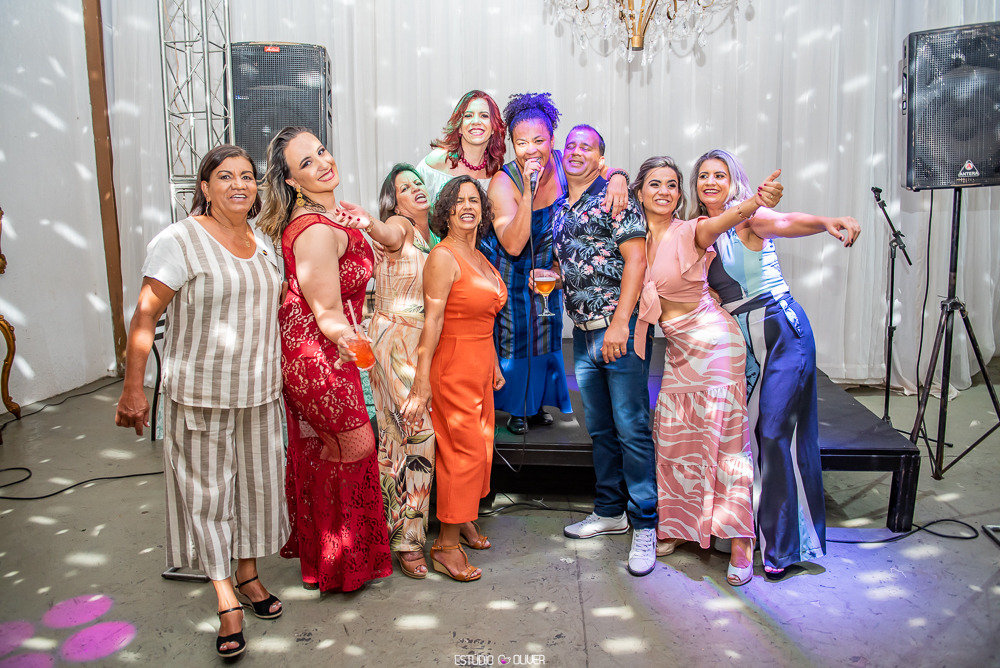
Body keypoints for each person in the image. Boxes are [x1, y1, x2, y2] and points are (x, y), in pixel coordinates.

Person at [115, 145, 287, 658]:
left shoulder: (262, 242)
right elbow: (145, 317)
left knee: (257, 490)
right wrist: (133, 388)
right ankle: (225, 596)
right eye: (225, 176)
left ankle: (249, 575)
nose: (239, 184)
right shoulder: (179, 240)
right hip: (201, 393)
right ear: (205, 187)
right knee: (209, 497)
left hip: (259, 392)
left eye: (248, 176)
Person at [693, 149, 861, 580]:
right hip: (740, 342)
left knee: (774, 433)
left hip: (780, 330)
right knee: (745, 437)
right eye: (703, 175)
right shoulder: (701, 230)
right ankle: (744, 530)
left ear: (734, 181)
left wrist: (825, 222)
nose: (710, 182)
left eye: (719, 175)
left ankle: (784, 546)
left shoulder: (749, 217)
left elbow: (783, 221)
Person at [632, 156, 783, 586]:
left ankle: (740, 541)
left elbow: (726, 220)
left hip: (715, 346)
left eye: (672, 185)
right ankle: (679, 527)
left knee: (727, 445)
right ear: (640, 192)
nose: (664, 192)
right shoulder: (633, 238)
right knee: (674, 440)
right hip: (678, 351)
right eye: (655, 184)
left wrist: (755, 201)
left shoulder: (691, 229)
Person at [257, 126, 392, 592]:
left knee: (330, 451)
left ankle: (326, 563)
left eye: (320, 151)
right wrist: (350, 339)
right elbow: (327, 311)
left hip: (327, 351)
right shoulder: (314, 229)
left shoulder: (332, 216)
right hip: (316, 356)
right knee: (355, 447)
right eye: (306, 163)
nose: (322, 163)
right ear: (292, 181)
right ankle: (341, 562)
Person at [543, 125, 656, 577]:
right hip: (584, 334)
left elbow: (637, 261)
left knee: (632, 430)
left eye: (585, 147)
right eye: (570, 145)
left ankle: (645, 523)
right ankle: (610, 511)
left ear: (601, 159)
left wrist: (621, 324)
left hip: (617, 331)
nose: (575, 151)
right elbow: (569, 262)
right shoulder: (560, 208)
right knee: (603, 431)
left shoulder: (615, 198)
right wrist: (550, 276)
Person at [485, 93, 630, 434]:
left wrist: (620, 176)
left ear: (552, 140)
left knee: (547, 333)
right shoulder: (503, 181)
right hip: (511, 269)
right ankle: (517, 407)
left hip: (550, 270)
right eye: (521, 143)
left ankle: (537, 404)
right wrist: (528, 190)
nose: (531, 150)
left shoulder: (566, 163)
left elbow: (603, 167)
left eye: (539, 140)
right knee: (516, 336)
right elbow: (513, 243)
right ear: (512, 145)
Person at [400, 176, 507, 582]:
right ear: (445, 212)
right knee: (463, 454)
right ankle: (446, 545)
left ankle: (461, 518)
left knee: (481, 448)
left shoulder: (478, 255)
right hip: (454, 365)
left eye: (474, 200)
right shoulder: (443, 257)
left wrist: (493, 362)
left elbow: (484, 316)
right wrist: (422, 379)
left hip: (479, 364)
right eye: (458, 201)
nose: (468, 206)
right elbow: (433, 322)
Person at [335, 164, 439, 579]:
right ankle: (408, 541)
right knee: (416, 434)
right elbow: (388, 234)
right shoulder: (401, 226)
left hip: (422, 341)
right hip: (396, 339)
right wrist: (370, 225)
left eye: (418, 183)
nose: (415, 189)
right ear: (394, 203)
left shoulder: (433, 235)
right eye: (404, 188)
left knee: (397, 437)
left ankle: (392, 527)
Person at [416, 90, 506, 202]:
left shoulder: (495, 170)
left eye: (484, 115)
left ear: (493, 128)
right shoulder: (437, 161)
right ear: (459, 127)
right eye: (468, 115)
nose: (476, 121)